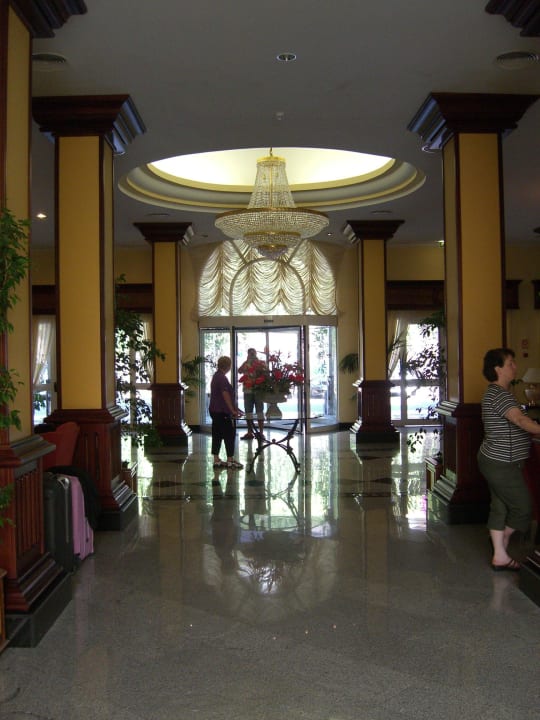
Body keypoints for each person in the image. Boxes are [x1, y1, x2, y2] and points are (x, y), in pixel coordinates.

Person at [477, 348, 540, 572]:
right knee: (523, 506)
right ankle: (502, 541)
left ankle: (500, 555)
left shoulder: (499, 392)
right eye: (510, 363)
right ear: (498, 369)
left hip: (495, 460)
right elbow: (520, 420)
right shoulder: (499, 394)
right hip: (501, 463)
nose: (515, 366)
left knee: (500, 507)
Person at [209, 356, 243, 469]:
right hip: (222, 411)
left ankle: (216, 459)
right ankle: (230, 460)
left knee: (217, 434)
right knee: (229, 434)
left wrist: (236, 409)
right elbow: (225, 394)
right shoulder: (222, 378)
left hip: (214, 410)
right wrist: (232, 410)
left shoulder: (216, 376)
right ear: (228, 366)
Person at [238, 347, 265, 440]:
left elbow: (266, 373)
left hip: (258, 390)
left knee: (260, 412)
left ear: (256, 353)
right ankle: (249, 432)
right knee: (248, 412)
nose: (252, 355)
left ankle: (261, 433)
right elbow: (239, 371)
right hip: (247, 390)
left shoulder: (261, 363)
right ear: (248, 354)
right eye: (250, 353)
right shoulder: (246, 363)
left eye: (253, 353)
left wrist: (258, 365)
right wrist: (246, 362)